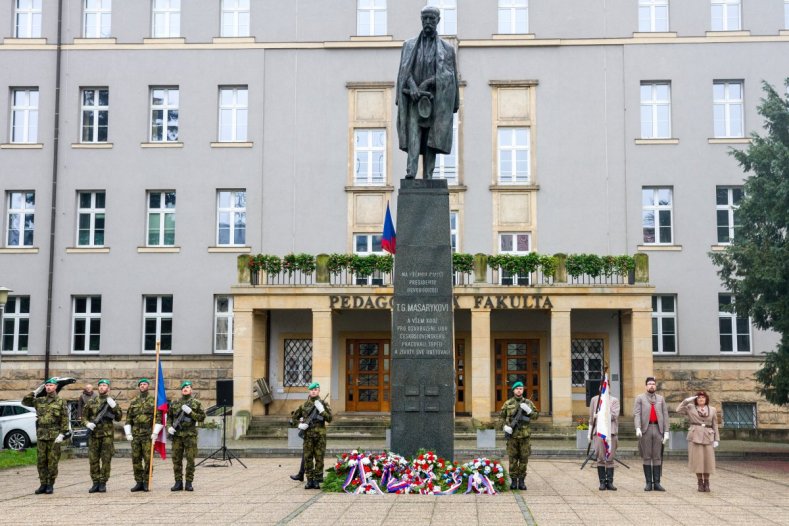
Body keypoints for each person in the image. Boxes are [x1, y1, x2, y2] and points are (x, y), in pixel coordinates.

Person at [396, 5, 459, 179]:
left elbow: (450, 77)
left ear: (438, 21)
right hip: (414, 100)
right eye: (425, 19)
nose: (428, 22)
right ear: (421, 20)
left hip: (436, 100)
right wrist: (414, 87)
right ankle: (411, 171)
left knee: (433, 138)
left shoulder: (447, 50)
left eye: (432, 19)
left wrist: (430, 82)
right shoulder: (408, 46)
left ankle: (429, 175)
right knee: (414, 135)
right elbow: (404, 72)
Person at [22, 378, 70, 495]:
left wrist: (62, 434)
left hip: (54, 436)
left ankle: (50, 484)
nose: (48, 387)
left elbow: (64, 418)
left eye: (51, 385)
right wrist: (35, 392)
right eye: (47, 385)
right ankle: (43, 484)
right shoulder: (40, 400)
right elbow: (25, 402)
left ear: (55, 387)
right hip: (42, 435)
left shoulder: (60, 401)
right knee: (41, 461)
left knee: (52, 461)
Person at [82, 378, 122, 493]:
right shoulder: (91, 402)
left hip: (106, 436)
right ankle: (95, 483)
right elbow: (84, 417)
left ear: (108, 388)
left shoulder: (111, 402)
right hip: (94, 435)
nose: (102, 387)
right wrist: (88, 424)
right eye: (100, 385)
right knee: (93, 460)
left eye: (104, 385)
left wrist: (114, 406)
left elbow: (119, 417)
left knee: (106, 460)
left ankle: (103, 483)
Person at [676, 391, 719, 492]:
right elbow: (678, 410)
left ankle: (707, 482)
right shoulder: (691, 407)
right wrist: (686, 401)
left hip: (708, 436)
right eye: (699, 398)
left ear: (706, 399)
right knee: (698, 461)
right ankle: (700, 482)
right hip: (695, 436)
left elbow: (715, 424)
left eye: (703, 398)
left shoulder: (712, 409)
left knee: (708, 461)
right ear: (696, 399)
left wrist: (716, 439)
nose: (701, 399)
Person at [292, 382, 332, 489]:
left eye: (316, 390)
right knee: (308, 458)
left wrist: (322, 411)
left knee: (319, 459)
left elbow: (330, 419)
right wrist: (300, 425)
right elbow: (293, 418)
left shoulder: (323, 404)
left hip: (320, 437)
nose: (313, 391)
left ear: (318, 391)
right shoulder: (304, 406)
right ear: (309, 391)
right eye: (312, 390)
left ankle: (317, 480)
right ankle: (309, 480)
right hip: (308, 436)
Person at [499, 380, 538, 490]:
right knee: (512, 459)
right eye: (517, 389)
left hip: (525, 436)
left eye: (521, 388)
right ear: (513, 390)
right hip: (512, 436)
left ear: (523, 390)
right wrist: (505, 427)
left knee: (524, 459)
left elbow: (536, 416)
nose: (519, 390)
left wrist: (529, 411)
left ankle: (521, 481)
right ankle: (513, 481)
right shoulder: (508, 403)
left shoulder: (528, 403)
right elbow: (501, 417)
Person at [167, 380, 205, 491]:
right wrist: (169, 427)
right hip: (177, 436)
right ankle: (178, 482)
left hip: (190, 435)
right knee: (176, 460)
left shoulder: (196, 403)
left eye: (187, 387)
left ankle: (189, 483)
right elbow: (169, 417)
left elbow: (202, 417)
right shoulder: (175, 403)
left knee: (190, 459)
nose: (185, 388)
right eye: (183, 387)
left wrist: (191, 412)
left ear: (191, 389)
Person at [633, 376, 669, 491]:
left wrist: (666, 431)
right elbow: (637, 414)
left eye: (653, 384)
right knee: (647, 456)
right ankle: (648, 483)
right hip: (646, 429)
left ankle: (657, 483)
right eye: (649, 384)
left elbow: (665, 415)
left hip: (658, 429)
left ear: (655, 386)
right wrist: (638, 427)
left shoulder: (660, 399)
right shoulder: (640, 398)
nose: (652, 385)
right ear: (646, 386)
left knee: (657, 456)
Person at [125, 378, 155, 492]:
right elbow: (129, 418)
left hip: (148, 435)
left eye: (144, 384)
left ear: (148, 386)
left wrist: (156, 432)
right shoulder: (134, 401)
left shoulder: (153, 400)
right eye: (141, 384)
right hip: (136, 436)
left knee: (148, 460)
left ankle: (147, 482)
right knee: (136, 459)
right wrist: (128, 432)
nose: (142, 386)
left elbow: (158, 417)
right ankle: (138, 482)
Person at [588, 392, 620, 491]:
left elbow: (614, 416)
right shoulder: (594, 400)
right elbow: (591, 418)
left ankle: (609, 482)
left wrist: (600, 415)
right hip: (599, 432)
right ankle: (602, 482)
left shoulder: (614, 400)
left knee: (610, 458)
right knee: (600, 458)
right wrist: (589, 433)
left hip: (611, 432)